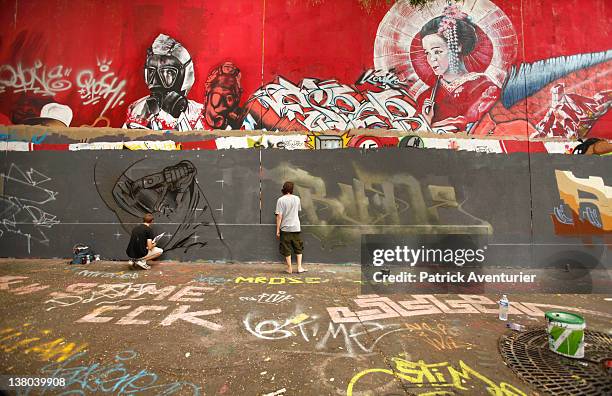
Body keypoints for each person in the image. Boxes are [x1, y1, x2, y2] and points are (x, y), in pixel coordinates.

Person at [418, 5, 499, 131]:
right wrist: (426, 122)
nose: (431, 59)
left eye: (437, 51)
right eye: (427, 53)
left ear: (458, 46)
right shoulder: (426, 97)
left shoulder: (485, 88)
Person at [123, 34, 205, 131]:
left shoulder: (200, 113)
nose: (155, 81)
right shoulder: (137, 111)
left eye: (168, 72)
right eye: (151, 72)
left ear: (185, 76)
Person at [275, 181, 306, 274]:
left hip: (285, 228)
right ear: (292, 189)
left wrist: (277, 230)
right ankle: (299, 267)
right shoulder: (297, 199)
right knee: (298, 247)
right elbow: (298, 210)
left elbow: (279, 216)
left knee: (286, 248)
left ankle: (289, 268)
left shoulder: (280, 200)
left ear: (283, 189)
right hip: (296, 227)